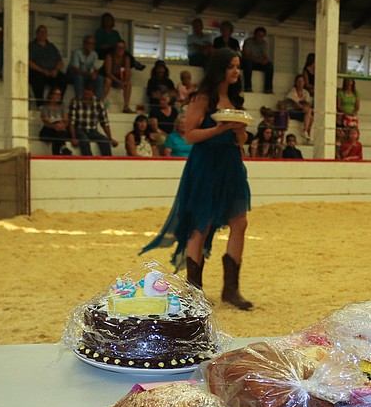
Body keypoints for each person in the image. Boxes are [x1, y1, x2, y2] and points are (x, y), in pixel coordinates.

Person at [140, 49, 252, 310]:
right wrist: (218, 129)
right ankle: (194, 291)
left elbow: (242, 141)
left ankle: (231, 290)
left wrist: (240, 131)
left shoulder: (235, 99)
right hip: (206, 164)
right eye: (232, 67)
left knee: (240, 222)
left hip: (231, 165)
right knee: (201, 224)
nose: (236, 71)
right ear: (220, 69)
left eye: (238, 67)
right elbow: (190, 135)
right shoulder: (203, 98)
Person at [68, 84, 117, 156]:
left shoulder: (98, 103)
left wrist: (110, 138)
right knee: (84, 140)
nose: (86, 96)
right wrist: (73, 137)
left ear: (93, 93)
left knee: (104, 140)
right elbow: (71, 122)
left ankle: (108, 161)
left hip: (93, 130)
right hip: (79, 129)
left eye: (89, 94)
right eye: (85, 94)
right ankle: (89, 160)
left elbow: (104, 122)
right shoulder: (75, 101)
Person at [27, 24, 66, 105]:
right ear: (37, 33)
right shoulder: (31, 46)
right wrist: (42, 71)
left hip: (51, 72)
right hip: (38, 71)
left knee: (63, 78)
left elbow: (60, 62)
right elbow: (29, 62)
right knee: (37, 79)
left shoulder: (51, 46)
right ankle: (40, 104)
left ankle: (54, 102)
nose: (43, 34)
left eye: (44, 32)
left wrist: (56, 70)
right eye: (40, 32)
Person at [39, 86, 74, 155]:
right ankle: (63, 148)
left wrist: (62, 126)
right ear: (51, 95)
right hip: (48, 130)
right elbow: (46, 122)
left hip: (60, 131)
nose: (58, 96)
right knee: (58, 133)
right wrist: (55, 126)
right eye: (56, 94)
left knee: (58, 136)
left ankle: (57, 153)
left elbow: (66, 121)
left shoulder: (62, 107)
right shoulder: (45, 108)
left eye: (60, 94)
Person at [102, 40, 135, 113]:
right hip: (111, 78)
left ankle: (126, 106)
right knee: (108, 81)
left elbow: (128, 72)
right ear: (115, 48)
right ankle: (100, 102)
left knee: (129, 83)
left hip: (120, 78)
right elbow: (108, 72)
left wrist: (125, 81)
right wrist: (119, 82)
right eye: (118, 48)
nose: (120, 50)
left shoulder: (126, 58)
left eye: (122, 48)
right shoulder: (110, 56)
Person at [68, 34, 103, 100]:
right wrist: (89, 74)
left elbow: (95, 68)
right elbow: (75, 70)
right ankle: (79, 100)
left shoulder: (94, 54)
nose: (90, 45)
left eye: (92, 43)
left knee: (100, 78)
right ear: (84, 43)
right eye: (88, 43)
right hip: (73, 75)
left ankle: (97, 100)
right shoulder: (77, 53)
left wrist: (95, 74)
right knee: (79, 77)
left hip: (86, 75)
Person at [241, 26, 274, 94]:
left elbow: (265, 56)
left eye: (262, 35)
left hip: (258, 62)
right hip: (249, 62)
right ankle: (248, 87)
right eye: (258, 35)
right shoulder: (248, 41)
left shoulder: (264, 43)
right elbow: (246, 55)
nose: (260, 37)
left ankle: (268, 88)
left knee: (270, 65)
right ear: (255, 34)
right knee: (247, 64)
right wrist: (258, 59)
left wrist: (264, 60)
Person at [285, 73, 313, 142]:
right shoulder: (292, 91)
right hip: (291, 112)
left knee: (311, 117)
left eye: (302, 81)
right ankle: (305, 132)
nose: (300, 83)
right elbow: (296, 105)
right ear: (296, 82)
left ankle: (307, 135)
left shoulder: (306, 92)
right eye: (299, 81)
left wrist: (305, 107)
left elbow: (308, 104)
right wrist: (304, 107)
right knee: (308, 111)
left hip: (300, 112)